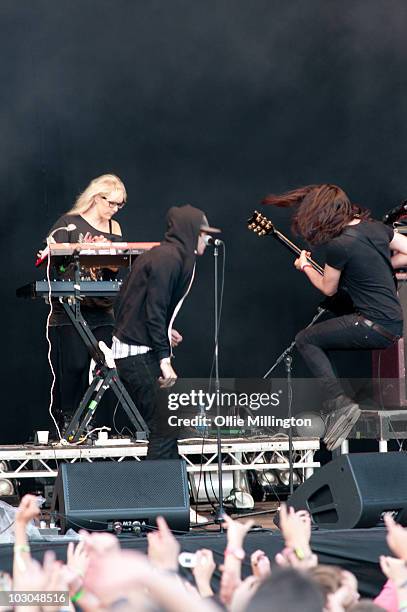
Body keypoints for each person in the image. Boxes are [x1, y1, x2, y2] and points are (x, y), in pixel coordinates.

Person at [263, 184, 407, 450]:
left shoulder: (340, 244)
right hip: (394, 325)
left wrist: (305, 266)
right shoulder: (376, 228)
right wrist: (389, 265)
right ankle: (340, 405)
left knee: (306, 339)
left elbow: (327, 287)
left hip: (371, 325)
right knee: (330, 320)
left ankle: (340, 404)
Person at [113, 204, 221, 460]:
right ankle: (155, 496)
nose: (208, 238)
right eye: (203, 232)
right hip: (137, 353)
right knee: (165, 426)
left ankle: (171, 496)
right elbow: (155, 308)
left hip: (138, 348)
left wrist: (165, 331)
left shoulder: (169, 256)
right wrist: (164, 359)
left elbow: (133, 304)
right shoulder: (167, 258)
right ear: (190, 231)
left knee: (169, 426)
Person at [44, 174, 126, 433]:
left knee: (107, 365)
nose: (114, 209)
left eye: (119, 205)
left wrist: (107, 253)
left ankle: (92, 424)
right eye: (111, 203)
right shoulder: (68, 224)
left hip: (102, 307)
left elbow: (117, 266)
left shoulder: (115, 228)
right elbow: (53, 262)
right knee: (75, 366)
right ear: (95, 197)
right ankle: (69, 423)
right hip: (71, 308)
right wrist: (82, 248)